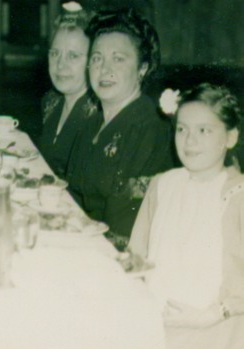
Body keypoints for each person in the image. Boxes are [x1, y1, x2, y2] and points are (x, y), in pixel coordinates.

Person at [129, 83, 244, 349]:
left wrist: (215, 313)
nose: (189, 140)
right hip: (156, 320)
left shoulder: (238, 194)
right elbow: (137, 258)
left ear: (231, 137)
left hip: (213, 328)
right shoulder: (163, 185)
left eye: (204, 130)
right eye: (182, 129)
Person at [66, 8, 176, 247]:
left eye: (118, 58)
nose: (104, 70)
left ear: (142, 68)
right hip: (83, 241)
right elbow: (72, 194)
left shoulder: (150, 128)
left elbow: (125, 228)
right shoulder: (92, 123)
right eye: (97, 58)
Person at [37, 2, 96, 178]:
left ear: (93, 61)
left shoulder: (99, 114)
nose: (60, 65)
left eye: (73, 56)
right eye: (55, 53)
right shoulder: (51, 101)